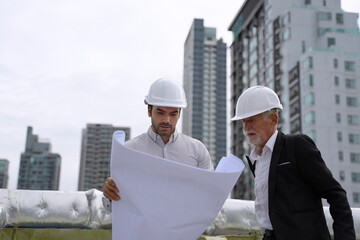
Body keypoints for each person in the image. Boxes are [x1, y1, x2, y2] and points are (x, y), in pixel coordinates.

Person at [231, 85, 355, 240]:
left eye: (252, 120)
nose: (246, 127)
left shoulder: (297, 146)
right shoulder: (256, 159)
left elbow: (336, 194)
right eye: (243, 121)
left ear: (273, 120)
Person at [103, 78, 213, 207]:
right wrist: (109, 195)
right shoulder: (128, 150)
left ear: (179, 114)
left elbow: (210, 197)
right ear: (149, 111)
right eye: (160, 112)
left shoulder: (197, 151)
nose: (167, 120)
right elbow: (111, 206)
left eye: (173, 114)